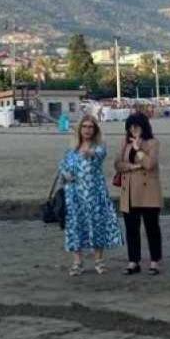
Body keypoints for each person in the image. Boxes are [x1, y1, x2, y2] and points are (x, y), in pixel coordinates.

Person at [58, 116, 122, 276]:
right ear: (80, 129)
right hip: (74, 195)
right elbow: (63, 166)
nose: (87, 130)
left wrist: (89, 152)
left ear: (95, 130)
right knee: (75, 226)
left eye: (91, 127)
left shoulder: (99, 147)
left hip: (94, 194)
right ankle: (77, 262)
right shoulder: (71, 150)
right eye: (84, 127)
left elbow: (97, 155)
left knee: (96, 225)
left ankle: (99, 261)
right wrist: (65, 174)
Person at [116, 112, 162, 275]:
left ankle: (155, 261)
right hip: (129, 190)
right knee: (131, 228)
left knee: (152, 228)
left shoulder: (153, 143)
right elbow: (118, 164)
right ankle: (133, 261)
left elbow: (150, 164)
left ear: (144, 127)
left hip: (148, 190)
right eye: (130, 127)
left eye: (136, 126)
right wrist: (133, 167)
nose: (133, 130)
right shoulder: (124, 142)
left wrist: (138, 149)